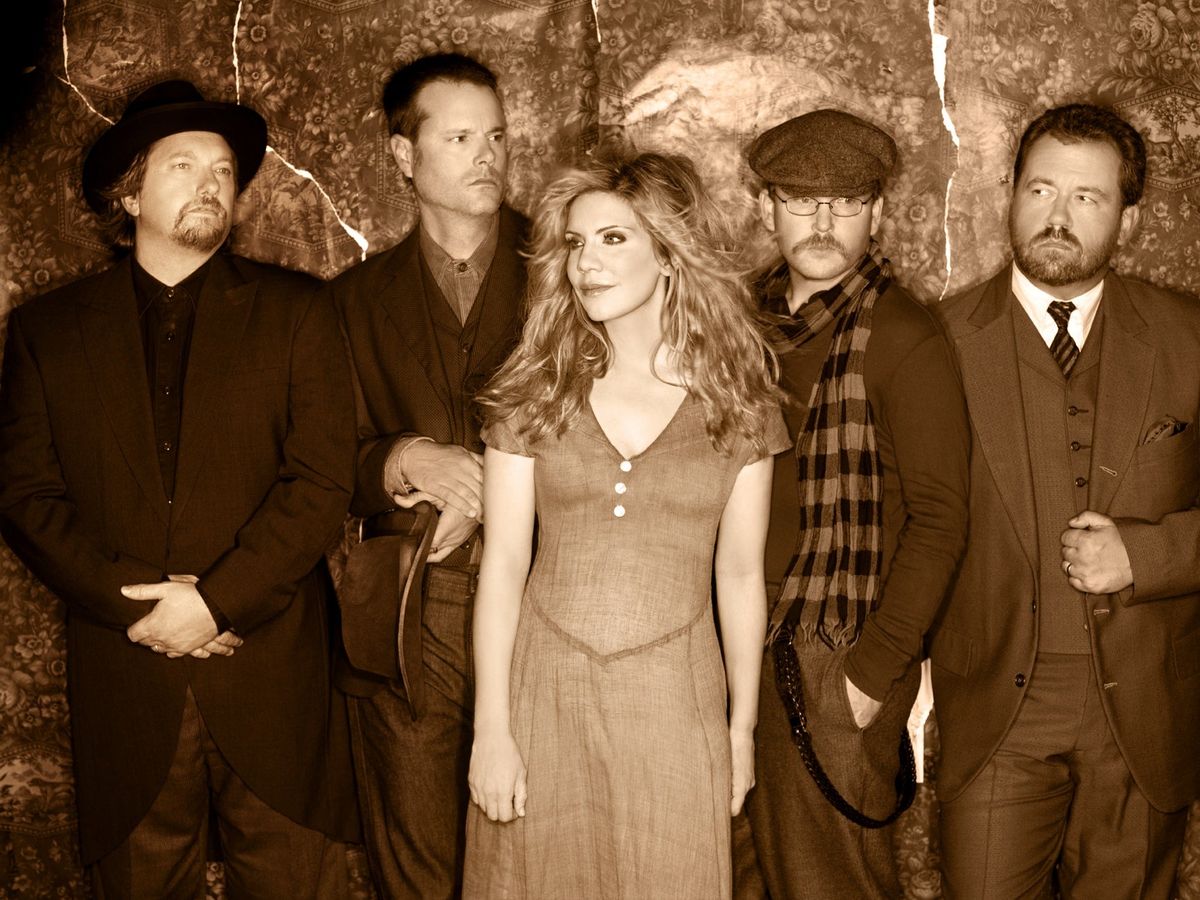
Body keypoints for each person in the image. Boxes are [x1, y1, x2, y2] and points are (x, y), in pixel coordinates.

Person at [0, 79, 358, 896]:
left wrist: (216, 604)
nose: (210, 183)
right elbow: (26, 498)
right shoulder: (47, 332)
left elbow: (320, 482)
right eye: (184, 165)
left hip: (275, 686)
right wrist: (147, 611)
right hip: (128, 688)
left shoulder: (300, 312)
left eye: (224, 170)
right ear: (128, 194)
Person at [462, 151, 788, 899]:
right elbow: (503, 564)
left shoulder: (739, 404)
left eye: (614, 239)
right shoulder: (534, 391)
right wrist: (491, 729)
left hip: (676, 700)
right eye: (576, 243)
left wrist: (741, 731)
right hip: (542, 694)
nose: (587, 263)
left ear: (669, 253)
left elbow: (740, 575)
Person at [934, 103, 1200, 898]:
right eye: (1041, 189)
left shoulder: (1190, 338)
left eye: (1087, 197)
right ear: (1010, 194)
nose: (1057, 216)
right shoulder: (935, 342)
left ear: (1129, 218)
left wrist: (1146, 554)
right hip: (993, 711)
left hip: (1145, 717)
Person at [740, 109, 970, 899]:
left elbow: (941, 521)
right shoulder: (735, 323)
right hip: (732, 629)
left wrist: (871, 674)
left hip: (833, 639)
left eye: (845, 202)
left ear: (877, 211)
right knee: (739, 871)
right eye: (801, 201)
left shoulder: (903, 335)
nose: (822, 222)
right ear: (766, 206)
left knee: (828, 882)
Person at [330, 52, 528, 898]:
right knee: (418, 868)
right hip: (413, 607)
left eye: (497, 137)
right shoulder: (349, 302)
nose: (488, 156)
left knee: (537, 859)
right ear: (403, 156)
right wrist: (402, 458)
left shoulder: (573, 268)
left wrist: (497, 487)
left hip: (550, 601)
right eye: (460, 138)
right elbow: (314, 462)